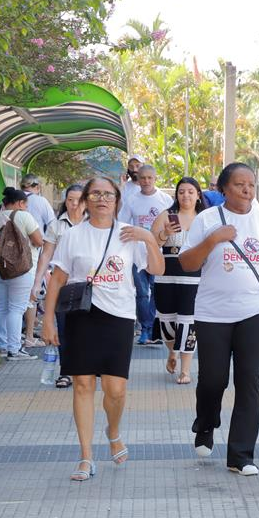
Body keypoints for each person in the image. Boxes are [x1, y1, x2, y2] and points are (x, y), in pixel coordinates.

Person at [179, 162, 259, 477]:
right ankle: (206, 423)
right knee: (213, 380)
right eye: (239, 184)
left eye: (251, 184)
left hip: (254, 312)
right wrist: (213, 240)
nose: (247, 190)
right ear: (224, 188)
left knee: (249, 380)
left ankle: (240, 455)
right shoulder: (207, 219)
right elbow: (187, 262)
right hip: (212, 314)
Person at [42, 176, 164, 482]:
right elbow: (58, 279)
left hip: (119, 316)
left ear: (117, 200)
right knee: (82, 385)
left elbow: (157, 269)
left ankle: (113, 431)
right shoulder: (73, 235)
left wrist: (149, 238)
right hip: (81, 315)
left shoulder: (129, 233)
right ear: (85, 200)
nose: (102, 199)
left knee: (115, 390)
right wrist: (47, 320)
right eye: (95, 194)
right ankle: (86, 456)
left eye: (108, 194)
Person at [150, 176, 205, 384]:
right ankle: (172, 351)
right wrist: (165, 233)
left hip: (195, 280)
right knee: (167, 323)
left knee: (189, 323)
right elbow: (151, 243)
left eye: (190, 191)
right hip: (166, 279)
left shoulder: (204, 218)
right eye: (181, 192)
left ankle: (186, 370)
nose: (186, 196)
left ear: (198, 195)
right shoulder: (167, 215)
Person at [31, 184, 85, 388]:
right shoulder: (57, 225)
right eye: (70, 200)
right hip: (62, 285)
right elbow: (46, 255)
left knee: (87, 328)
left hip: (88, 285)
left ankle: (87, 368)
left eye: (78, 200)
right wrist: (37, 282)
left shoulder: (94, 223)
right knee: (63, 328)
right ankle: (66, 371)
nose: (74, 204)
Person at [118, 164, 173, 345]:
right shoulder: (131, 200)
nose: (146, 181)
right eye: (143, 178)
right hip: (137, 253)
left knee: (157, 291)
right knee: (142, 293)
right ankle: (145, 329)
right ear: (138, 179)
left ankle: (153, 329)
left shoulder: (165, 199)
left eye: (150, 178)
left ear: (155, 179)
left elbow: (173, 225)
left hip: (158, 252)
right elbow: (122, 224)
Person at [0, 187, 43, 360]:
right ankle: (14, 350)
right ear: (20, 203)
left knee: (2, 306)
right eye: (26, 205)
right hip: (21, 268)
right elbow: (39, 241)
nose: (26, 208)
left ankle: (1, 346)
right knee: (17, 309)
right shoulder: (23, 216)